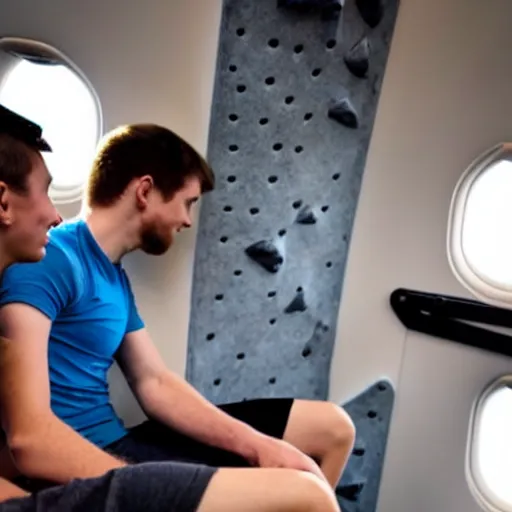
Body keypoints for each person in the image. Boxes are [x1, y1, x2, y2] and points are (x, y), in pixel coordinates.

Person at [0, 104, 342, 512]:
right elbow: (29, 436)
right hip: (95, 455)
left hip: (121, 445)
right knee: (307, 496)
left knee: (332, 429)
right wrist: (140, 484)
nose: (187, 221)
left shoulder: (113, 277)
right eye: (189, 202)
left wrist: (257, 446)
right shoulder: (50, 261)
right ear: (145, 191)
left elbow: (154, 382)